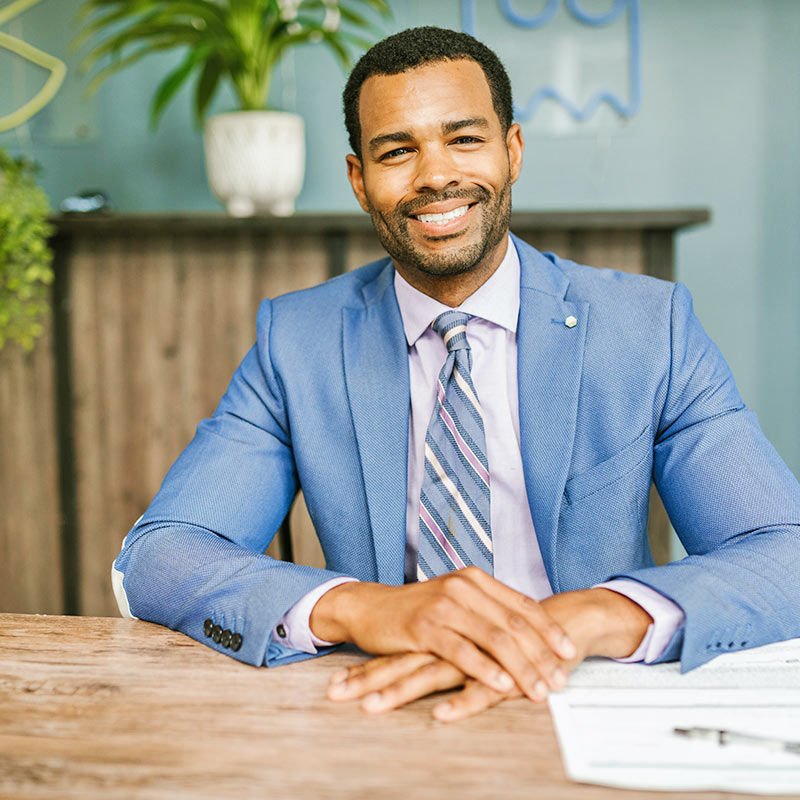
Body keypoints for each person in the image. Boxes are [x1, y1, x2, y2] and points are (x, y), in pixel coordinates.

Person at [113, 26, 800, 723]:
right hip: (385, 706)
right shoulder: (296, 342)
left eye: (464, 139)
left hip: (588, 696)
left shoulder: (651, 328)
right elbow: (159, 556)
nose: (435, 174)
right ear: (359, 180)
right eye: (397, 150)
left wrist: (588, 617)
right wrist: (366, 609)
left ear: (513, 151)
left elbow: (786, 553)